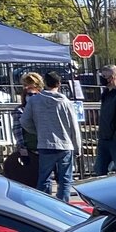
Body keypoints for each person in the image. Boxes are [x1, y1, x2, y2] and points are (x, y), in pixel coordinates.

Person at [16, 70, 82, 202]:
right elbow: (74, 127)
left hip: (45, 144)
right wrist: (77, 147)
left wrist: (37, 130)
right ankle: (63, 204)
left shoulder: (34, 101)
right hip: (65, 145)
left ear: (45, 83)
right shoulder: (65, 102)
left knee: (45, 177)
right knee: (65, 180)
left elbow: (24, 121)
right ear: (59, 83)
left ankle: (44, 204)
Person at [10, 71, 44, 186]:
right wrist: (22, 147)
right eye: (30, 94)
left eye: (35, 94)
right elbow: (17, 131)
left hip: (44, 149)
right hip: (30, 150)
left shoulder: (44, 109)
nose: (32, 97)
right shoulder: (20, 111)